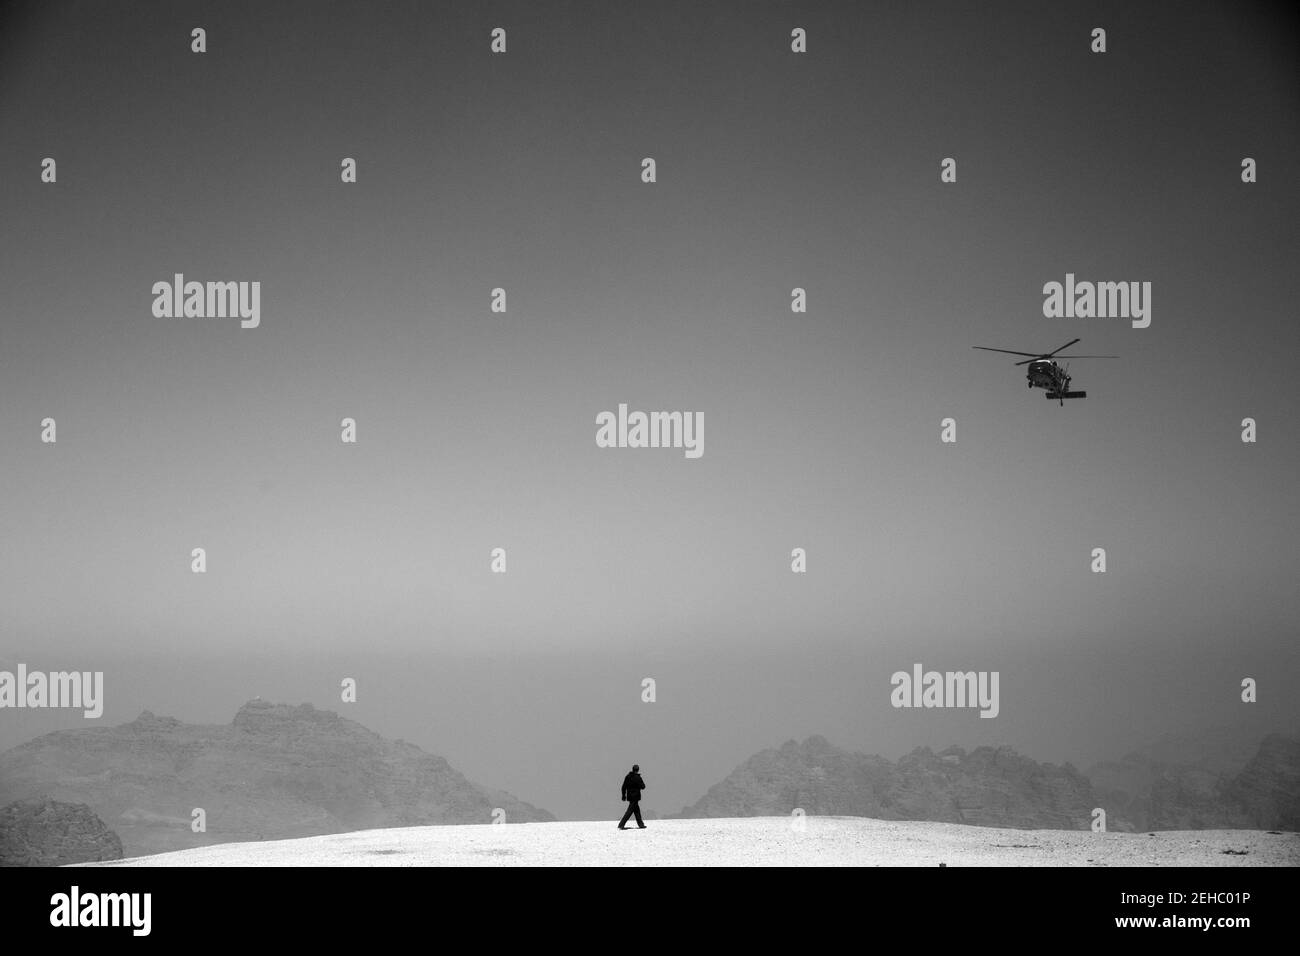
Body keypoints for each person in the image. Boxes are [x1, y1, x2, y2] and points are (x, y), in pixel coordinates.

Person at [618, 764, 647, 829]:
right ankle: (621, 824)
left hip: (630, 797)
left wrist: (623, 795)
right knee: (629, 811)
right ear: (638, 770)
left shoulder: (627, 777)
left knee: (637, 811)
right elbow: (643, 787)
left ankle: (641, 824)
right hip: (636, 797)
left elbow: (623, 787)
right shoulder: (638, 778)